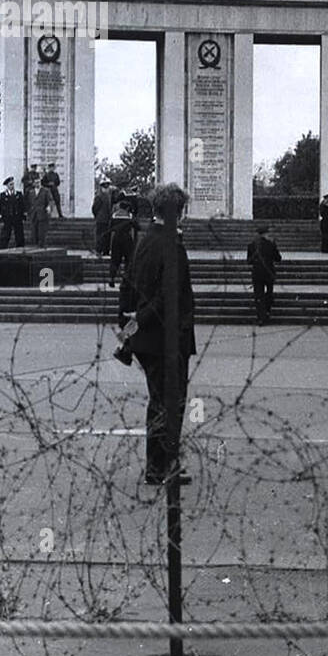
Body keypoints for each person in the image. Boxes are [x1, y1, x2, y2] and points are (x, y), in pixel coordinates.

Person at [122, 183, 197, 487]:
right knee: (170, 402)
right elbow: (169, 295)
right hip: (167, 337)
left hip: (146, 338)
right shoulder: (170, 244)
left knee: (160, 401)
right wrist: (141, 318)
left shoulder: (144, 239)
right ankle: (162, 466)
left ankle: (160, 465)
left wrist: (128, 327)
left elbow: (128, 285)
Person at [247, 223, 281, 324]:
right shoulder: (271, 244)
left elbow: (249, 261)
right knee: (269, 293)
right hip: (268, 272)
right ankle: (267, 311)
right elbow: (278, 258)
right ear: (266, 233)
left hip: (257, 273)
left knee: (258, 295)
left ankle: (260, 317)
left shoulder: (251, 245)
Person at [108, 198, 139, 289]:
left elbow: (110, 227)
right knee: (128, 261)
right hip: (127, 239)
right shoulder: (129, 216)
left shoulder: (114, 215)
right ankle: (125, 281)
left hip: (116, 239)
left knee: (114, 260)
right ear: (127, 208)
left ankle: (111, 279)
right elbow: (137, 227)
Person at [0, 177, 26, 248]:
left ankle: (20, 249)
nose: (12, 186)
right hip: (7, 218)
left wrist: (23, 216)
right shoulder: (3, 195)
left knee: (19, 234)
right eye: (10, 184)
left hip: (17, 217)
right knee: (5, 235)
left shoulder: (18, 194)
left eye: (13, 184)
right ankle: (3, 249)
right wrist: (1, 219)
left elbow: (22, 206)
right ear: (7, 185)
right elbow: (1, 208)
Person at [92, 180, 114, 257]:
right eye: (105, 187)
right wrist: (97, 216)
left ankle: (104, 250)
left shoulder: (107, 196)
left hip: (105, 219)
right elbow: (95, 208)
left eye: (107, 186)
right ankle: (100, 250)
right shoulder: (100, 196)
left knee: (105, 235)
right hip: (102, 219)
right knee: (101, 235)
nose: (106, 188)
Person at [28, 181, 51, 246]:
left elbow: (49, 200)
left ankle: (41, 245)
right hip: (33, 214)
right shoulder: (31, 192)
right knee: (34, 231)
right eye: (35, 182)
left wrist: (48, 206)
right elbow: (29, 203)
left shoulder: (45, 191)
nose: (37, 184)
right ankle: (35, 245)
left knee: (41, 231)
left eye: (38, 182)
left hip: (42, 213)